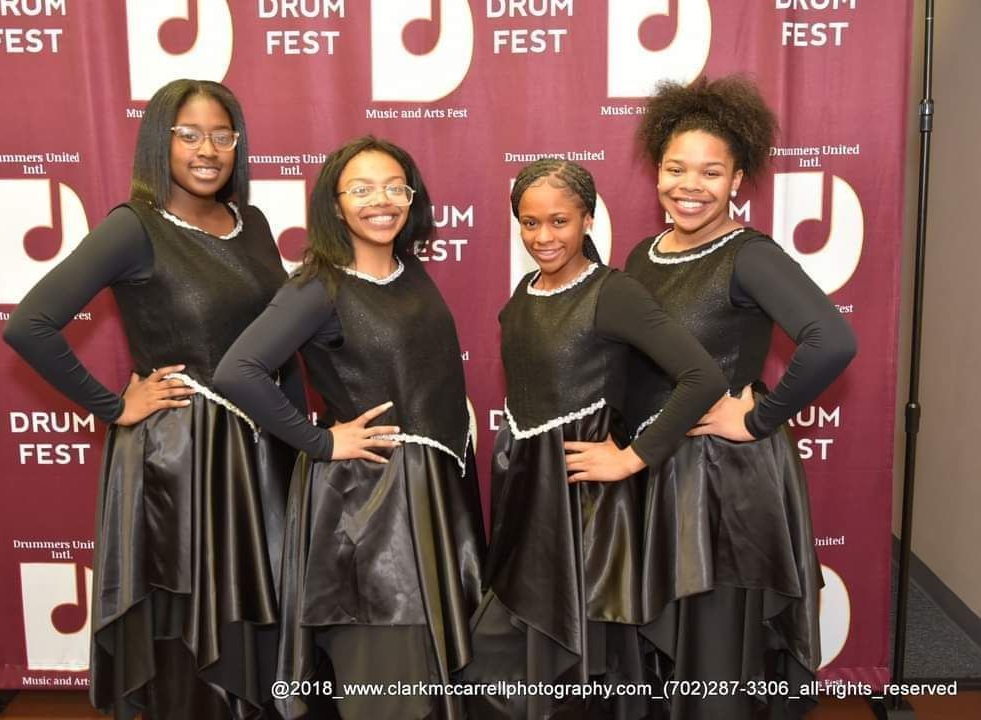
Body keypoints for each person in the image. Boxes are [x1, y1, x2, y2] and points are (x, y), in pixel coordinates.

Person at [4, 79, 300, 719]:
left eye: (222, 135)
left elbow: (281, 338)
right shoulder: (132, 227)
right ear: (158, 141)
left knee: (262, 609)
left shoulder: (253, 223)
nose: (208, 150)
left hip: (258, 452)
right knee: (191, 626)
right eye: (188, 134)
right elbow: (28, 324)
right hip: (183, 461)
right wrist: (113, 406)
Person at [214, 135, 485, 720]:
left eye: (394, 187)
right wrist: (320, 440)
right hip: (370, 506)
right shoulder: (319, 286)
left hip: (430, 498)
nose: (380, 201)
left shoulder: (408, 269)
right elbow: (238, 370)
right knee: (386, 675)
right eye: (361, 189)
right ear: (335, 205)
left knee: (429, 677)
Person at [625, 75, 857, 719]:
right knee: (666, 655)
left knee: (714, 652)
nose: (688, 185)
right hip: (663, 471)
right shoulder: (645, 254)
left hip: (724, 483)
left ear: (736, 181)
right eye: (675, 168)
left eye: (709, 171)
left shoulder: (749, 255)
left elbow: (831, 340)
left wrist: (758, 418)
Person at [463, 159, 726, 719]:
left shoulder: (614, 293)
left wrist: (633, 457)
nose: (543, 237)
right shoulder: (525, 289)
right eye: (529, 223)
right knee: (513, 639)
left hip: (586, 507)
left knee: (581, 649)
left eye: (559, 221)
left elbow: (703, 377)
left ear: (588, 218)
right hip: (527, 493)